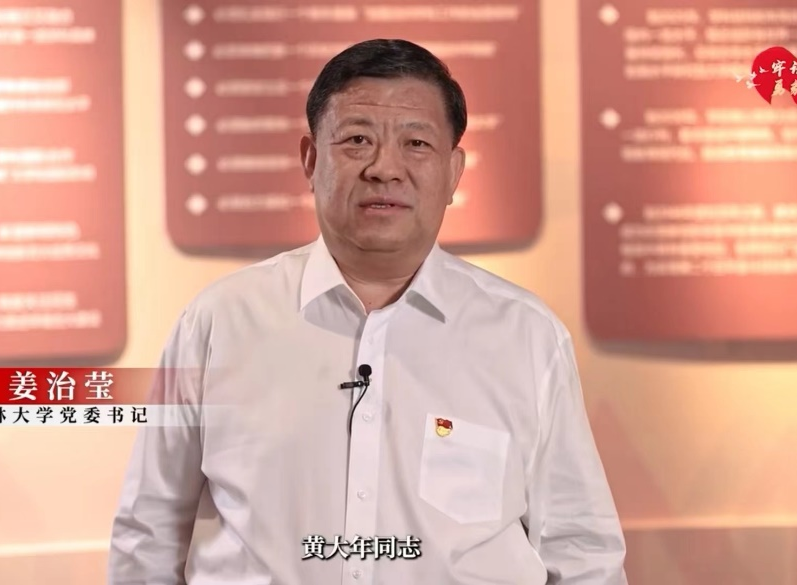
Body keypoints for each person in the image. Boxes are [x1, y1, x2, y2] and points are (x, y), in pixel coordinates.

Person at [109, 38, 627, 585]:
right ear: (311, 160)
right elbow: (148, 532)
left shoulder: (526, 335)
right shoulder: (219, 322)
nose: (385, 168)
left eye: (416, 143)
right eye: (357, 140)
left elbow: (581, 551)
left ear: (454, 171)